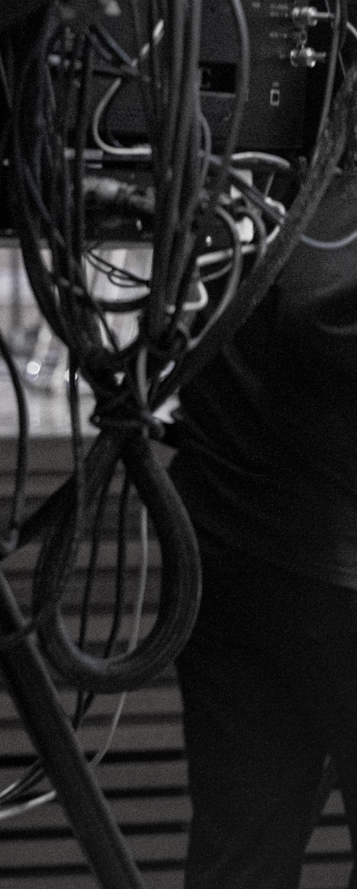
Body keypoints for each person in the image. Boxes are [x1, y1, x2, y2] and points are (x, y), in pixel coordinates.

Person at [172, 167, 357, 889]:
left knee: (237, 865)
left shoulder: (257, 141)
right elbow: (323, 306)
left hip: (228, 535)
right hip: (308, 555)